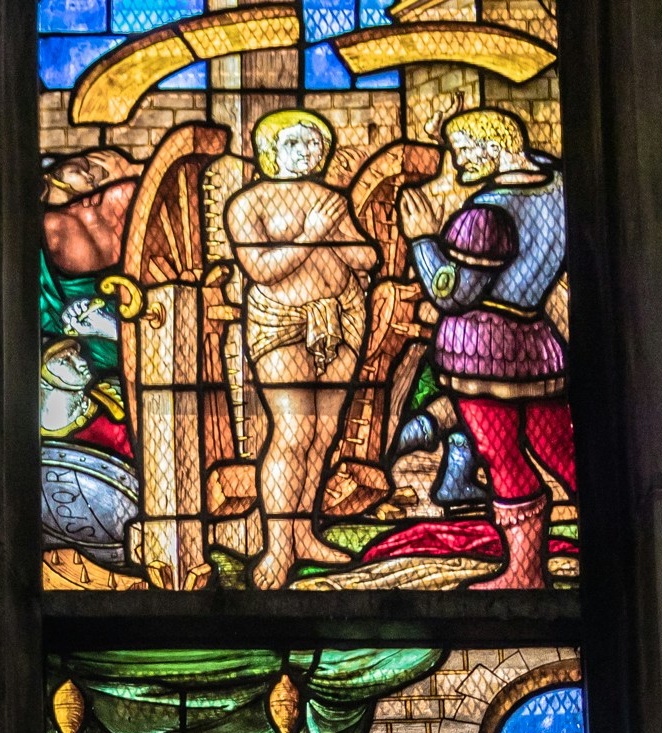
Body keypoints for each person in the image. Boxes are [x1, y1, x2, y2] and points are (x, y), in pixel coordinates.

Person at [409, 109, 572, 589]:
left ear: (493, 147)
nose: (458, 164)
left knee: (501, 456)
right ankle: (620, 549)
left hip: (482, 350)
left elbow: (451, 293)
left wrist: (422, 238)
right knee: (558, 447)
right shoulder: (558, 187)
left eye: (464, 152)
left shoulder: (487, 214)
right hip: (536, 342)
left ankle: (524, 571)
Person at [224, 111, 377, 590]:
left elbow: (366, 257)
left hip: (342, 318)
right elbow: (261, 268)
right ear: (271, 150)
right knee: (291, 432)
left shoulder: (331, 200)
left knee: (322, 433)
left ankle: (303, 534)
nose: (308, 152)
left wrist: (338, 237)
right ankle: (276, 546)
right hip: (281, 321)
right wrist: (311, 235)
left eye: (315, 144)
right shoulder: (249, 203)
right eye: (295, 144)